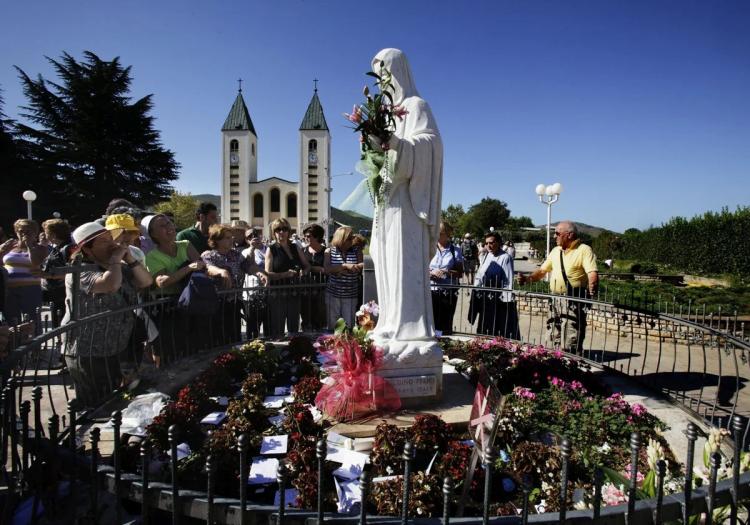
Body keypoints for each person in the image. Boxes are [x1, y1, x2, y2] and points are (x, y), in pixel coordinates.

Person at [368, 48, 443, 366]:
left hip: (408, 205)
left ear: (397, 71)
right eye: (377, 74)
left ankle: (410, 331)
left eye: (384, 71)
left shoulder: (415, 106)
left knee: (404, 264)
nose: (381, 80)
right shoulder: (386, 113)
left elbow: (430, 144)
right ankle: (388, 323)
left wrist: (398, 144)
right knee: (385, 262)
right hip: (388, 203)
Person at [61, 222, 153, 407]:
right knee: (96, 403)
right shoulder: (80, 272)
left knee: (114, 401)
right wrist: (115, 261)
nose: (111, 244)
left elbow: (146, 281)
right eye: (102, 242)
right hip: (89, 349)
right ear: (87, 250)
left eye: (111, 239)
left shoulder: (120, 269)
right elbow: (110, 285)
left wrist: (130, 260)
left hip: (117, 345)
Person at [518, 221, 598, 353]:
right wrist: (527, 279)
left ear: (570, 235)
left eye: (557, 233)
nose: (554, 236)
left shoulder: (584, 250)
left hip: (573, 298)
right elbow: (542, 271)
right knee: (554, 329)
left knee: (571, 331)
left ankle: (572, 359)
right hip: (555, 298)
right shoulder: (556, 251)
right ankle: (557, 357)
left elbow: (592, 273)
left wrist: (591, 291)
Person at [142, 214, 206, 364]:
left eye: (169, 223)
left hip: (191, 303)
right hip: (167, 310)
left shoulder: (186, 244)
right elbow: (162, 282)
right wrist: (188, 267)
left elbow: (201, 265)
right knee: (170, 349)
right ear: (152, 234)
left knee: (193, 346)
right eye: (162, 226)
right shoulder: (152, 256)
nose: (169, 227)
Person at [202, 223, 266, 344]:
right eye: (227, 237)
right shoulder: (208, 255)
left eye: (231, 237)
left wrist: (259, 273)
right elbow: (208, 268)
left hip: (234, 303)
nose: (232, 239)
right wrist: (221, 271)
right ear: (217, 240)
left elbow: (248, 266)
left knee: (234, 337)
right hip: (215, 305)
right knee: (217, 339)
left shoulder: (236, 254)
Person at [469, 231, 519, 339]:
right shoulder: (487, 255)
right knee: (484, 328)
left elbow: (508, 280)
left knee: (498, 330)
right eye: (486, 243)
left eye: (491, 243)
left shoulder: (506, 257)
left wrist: (507, 302)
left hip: (498, 301)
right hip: (486, 299)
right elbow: (480, 275)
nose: (488, 246)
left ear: (499, 242)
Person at [265, 218, 310, 338]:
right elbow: (267, 273)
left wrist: (303, 272)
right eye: (278, 229)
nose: (281, 232)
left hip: (295, 292)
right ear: (273, 232)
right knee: (278, 329)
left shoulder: (295, 247)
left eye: (284, 229)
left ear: (288, 231)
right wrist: (285, 274)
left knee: (294, 329)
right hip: (278, 293)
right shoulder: (271, 249)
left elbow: (307, 266)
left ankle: (295, 352)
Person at [0, 219, 49, 324]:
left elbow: (36, 262)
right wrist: (1, 251)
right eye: (21, 231)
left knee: (33, 321)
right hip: (9, 288)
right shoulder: (9, 246)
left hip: (31, 289)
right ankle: (14, 340)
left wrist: (29, 246)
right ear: (16, 232)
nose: (23, 234)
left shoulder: (40, 248)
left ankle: (35, 340)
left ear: (35, 233)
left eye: (28, 231)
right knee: (11, 320)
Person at [325, 226, 363, 330]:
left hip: (350, 294)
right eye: (349, 238)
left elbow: (362, 265)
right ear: (341, 238)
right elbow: (327, 269)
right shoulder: (329, 251)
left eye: (352, 237)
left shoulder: (357, 250)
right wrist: (345, 266)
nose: (352, 240)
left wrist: (344, 269)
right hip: (333, 293)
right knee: (333, 325)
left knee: (349, 325)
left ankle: (347, 345)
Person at [429, 221, 463, 335]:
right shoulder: (429, 248)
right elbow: (421, 268)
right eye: (436, 233)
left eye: (441, 233)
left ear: (448, 234)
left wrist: (446, 272)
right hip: (431, 291)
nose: (437, 235)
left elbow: (460, 273)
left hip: (447, 293)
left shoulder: (456, 251)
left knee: (445, 322)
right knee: (431, 322)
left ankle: (444, 346)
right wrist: (430, 273)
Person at [40, 219, 73, 327]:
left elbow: (73, 273)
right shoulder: (56, 247)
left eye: (46, 232)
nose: (44, 235)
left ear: (53, 234)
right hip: (55, 294)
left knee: (62, 323)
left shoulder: (68, 248)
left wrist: (47, 275)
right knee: (57, 322)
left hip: (63, 293)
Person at [241, 228, 268, 338]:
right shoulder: (245, 251)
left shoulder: (268, 249)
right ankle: (251, 345)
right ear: (246, 240)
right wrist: (252, 247)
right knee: (252, 323)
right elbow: (251, 265)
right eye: (249, 236)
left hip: (266, 290)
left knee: (265, 321)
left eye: (255, 234)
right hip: (250, 292)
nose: (253, 237)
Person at [301, 224, 327, 332]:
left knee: (320, 316)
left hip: (321, 289)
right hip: (305, 289)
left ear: (317, 237)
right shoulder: (302, 251)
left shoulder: (326, 251)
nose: (306, 238)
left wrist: (309, 268)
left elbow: (325, 269)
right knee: (306, 316)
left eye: (308, 236)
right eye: (305, 236)